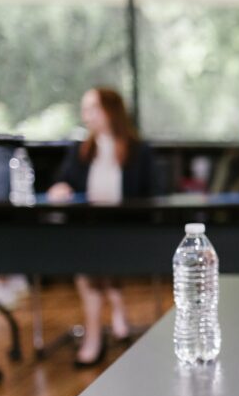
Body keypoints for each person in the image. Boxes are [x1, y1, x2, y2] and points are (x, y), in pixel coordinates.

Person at [47, 87, 159, 367]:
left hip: (129, 233)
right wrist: (60, 187)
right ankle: (99, 330)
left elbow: (155, 194)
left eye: (92, 108)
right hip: (90, 231)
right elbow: (62, 181)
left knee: (94, 259)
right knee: (89, 257)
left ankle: (98, 335)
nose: (86, 116)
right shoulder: (80, 151)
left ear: (111, 111)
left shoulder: (139, 151)